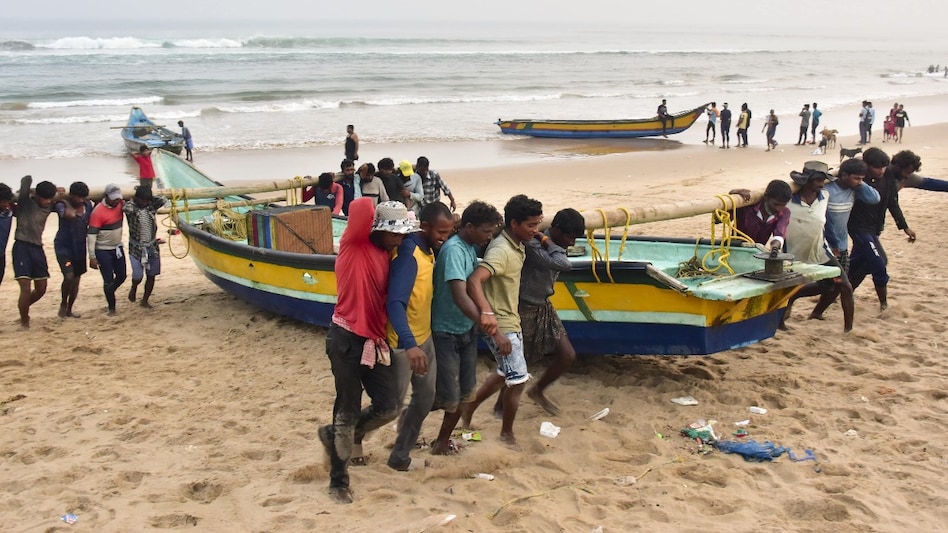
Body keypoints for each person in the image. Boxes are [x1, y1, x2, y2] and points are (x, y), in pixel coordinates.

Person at [318, 199, 419, 504]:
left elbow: (415, 239)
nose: (399, 238)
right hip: (345, 338)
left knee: (389, 405)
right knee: (346, 410)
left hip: (374, 342)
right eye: (393, 232)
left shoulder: (389, 254)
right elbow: (360, 205)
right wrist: (382, 199)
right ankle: (339, 481)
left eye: (402, 233)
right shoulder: (354, 243)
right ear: (377, 228)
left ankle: (334, 435)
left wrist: (405, 220)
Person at [461, 195, 543, 448]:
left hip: (509, 319)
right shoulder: (502, 250)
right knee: (517, 380)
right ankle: (506, 434)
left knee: (501, 372)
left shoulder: (514, 243)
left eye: (537, 224)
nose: (535, 230)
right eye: (531, 225)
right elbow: (475, 280)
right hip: (502, 324)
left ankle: (468, 409)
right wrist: (487, 315)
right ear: (514, 223)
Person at [385, 201, 456, 471]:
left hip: (425, 339)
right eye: (440, 233)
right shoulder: (408, 256)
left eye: (448, 233)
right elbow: (395, 304)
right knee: (390, 408)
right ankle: (351, 438)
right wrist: (410, 345)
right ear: (424, 227)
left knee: (425, 399)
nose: (444, 238)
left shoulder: (429, 250)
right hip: (404, 346)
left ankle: (400, 457)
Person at [429, 201, 503, 456]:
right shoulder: (453, 251)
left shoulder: (470, 248)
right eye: (486, 231)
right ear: (469, 227)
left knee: (465, 392)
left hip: (466, 331)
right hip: (446, 330)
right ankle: (409, 419)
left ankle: (441, 442)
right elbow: (460, 295)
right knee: (447, 396)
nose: (489, 237)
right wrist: (486, 322)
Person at [518, 208, 585, 415]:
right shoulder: (534, 244)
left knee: (567, 355)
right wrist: (546, 241)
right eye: (569, 237)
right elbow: (563, 263)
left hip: (544, 305)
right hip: (525, 307)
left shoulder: (553, 243)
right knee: (520, 364)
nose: (572, 243)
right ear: (555, 229)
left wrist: (551, 243)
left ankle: (537, 390)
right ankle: (500, 406)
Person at [782, 162, 855, 332]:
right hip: (792, 253)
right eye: (818, 180)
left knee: (841, 285)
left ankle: (848, 329)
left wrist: (835, 244)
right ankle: (780, 322)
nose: (822, 184)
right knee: (783, 291)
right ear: (806, 181)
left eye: (823, 180)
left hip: (820, 251)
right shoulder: (788, 200)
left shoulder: (824, 197)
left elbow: (826, 221)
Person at [847, 148, 915, 311]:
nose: (881, 171)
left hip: (874, 229)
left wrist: (904, 226)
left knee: (860, 263)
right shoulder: (858, 180)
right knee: (879, 262)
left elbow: (892, 202)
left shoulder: (889, 178)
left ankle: (842, 289)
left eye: (884, 167)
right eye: (878, 167)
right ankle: (883, 303)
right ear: (867, 166)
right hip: (858, 228)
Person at [12, 175, 57, 329]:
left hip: (38, 248)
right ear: (37, 196)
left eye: (50, 198)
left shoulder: (49, 206)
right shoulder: (25, 203)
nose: (48, 201)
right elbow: (25, 179)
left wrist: (58, 191)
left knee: (41, 289)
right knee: (25, 287)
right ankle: (25, 321)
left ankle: (23, 308)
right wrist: (30, 189)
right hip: (22, 247)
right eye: (45, 198)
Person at [823, 158, 879, 276]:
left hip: (842, 245)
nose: (859, 182)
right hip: (825, 246)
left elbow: (874, 198)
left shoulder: (854, 190)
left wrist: (859, 182)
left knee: (839, 285)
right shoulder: (827, 190)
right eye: (856, 178)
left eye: (862, 179)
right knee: (831, 283)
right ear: (844, 175)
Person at [53, 181, 92, 319]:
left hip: (80, 248)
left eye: (83, 198)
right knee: (68, 276)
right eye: (78, 197)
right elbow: (70, 215)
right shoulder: (61, 204)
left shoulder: (88, 205)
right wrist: (65, 199)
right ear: (72, 195)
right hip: (64, 248)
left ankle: (69, 309)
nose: (80, 201)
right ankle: (63, 304)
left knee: (76, 280)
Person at [87, 184, 127, 316]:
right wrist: (92, 256)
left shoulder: (121, 204)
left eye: (118, 198)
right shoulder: (97, 212)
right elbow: (91, 236)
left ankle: (110, 291)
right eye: (114, 199)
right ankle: (112, 307)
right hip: (103, 250)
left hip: (117, 247)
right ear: (106, 197)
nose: (116, 201)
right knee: (108, 279)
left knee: (122, 275)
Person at [124, 185, 166, 308]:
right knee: (137, 275)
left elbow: (163, 199)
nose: (144, 203)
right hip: (136, 248)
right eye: (142, 200)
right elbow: (127, 208)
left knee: (151, 275)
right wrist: (132, 199)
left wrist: (150, 196)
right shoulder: (132, 209)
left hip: (152, 246)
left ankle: (145, 300)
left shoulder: (151, 207)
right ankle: (134, 287)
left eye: (146, 200)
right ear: (136, 199)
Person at [728, 179, 792, 249]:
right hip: (735, 248)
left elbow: (779, 234)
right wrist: (733, 195)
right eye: (776, 204)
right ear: (766, 197)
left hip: (757, 253)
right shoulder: (746, 206)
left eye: (783, 205)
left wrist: (775, 248)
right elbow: (720, 218)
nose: (778, 209)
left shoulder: (784, 212)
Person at [0, 183, 14, 287]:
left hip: (1, 254)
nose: (6, 204)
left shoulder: (8, 210)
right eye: (3, 201)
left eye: (7, 201)